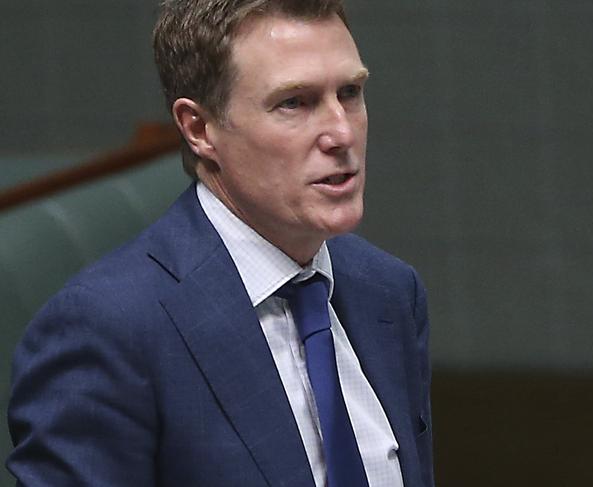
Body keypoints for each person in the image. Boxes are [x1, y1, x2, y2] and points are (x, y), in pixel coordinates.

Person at [6, 0, 434, 485]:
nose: (341, 132)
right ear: (199, 129)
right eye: (294, 102)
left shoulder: (390, 292)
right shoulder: (107, 330)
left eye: (351, 92)